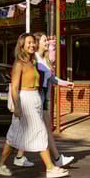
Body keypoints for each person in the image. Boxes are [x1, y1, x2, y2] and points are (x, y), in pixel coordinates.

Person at [0, 33, 69, 178]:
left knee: (14, 135)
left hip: (35, 99)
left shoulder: (33, 62)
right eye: (28, 43)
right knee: (40, 131)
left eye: (33, 43)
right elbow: (15, 88)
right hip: (25, 100)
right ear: (21, 45)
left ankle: (0, 164)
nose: (32, 45)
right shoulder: (19, 64)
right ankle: (50, 168)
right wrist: (17, 107)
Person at [13, 33, 75, 169]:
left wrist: (65, 83)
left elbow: (51, 78)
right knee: (44, 130)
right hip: (37, 98)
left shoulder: (44, 60)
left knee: (27, 130)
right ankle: (56, 160)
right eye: (44, 40)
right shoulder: (33, 59)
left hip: (44, 98)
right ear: (37, 42)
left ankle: (18, 157)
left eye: (47, 40)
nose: (47, 42)